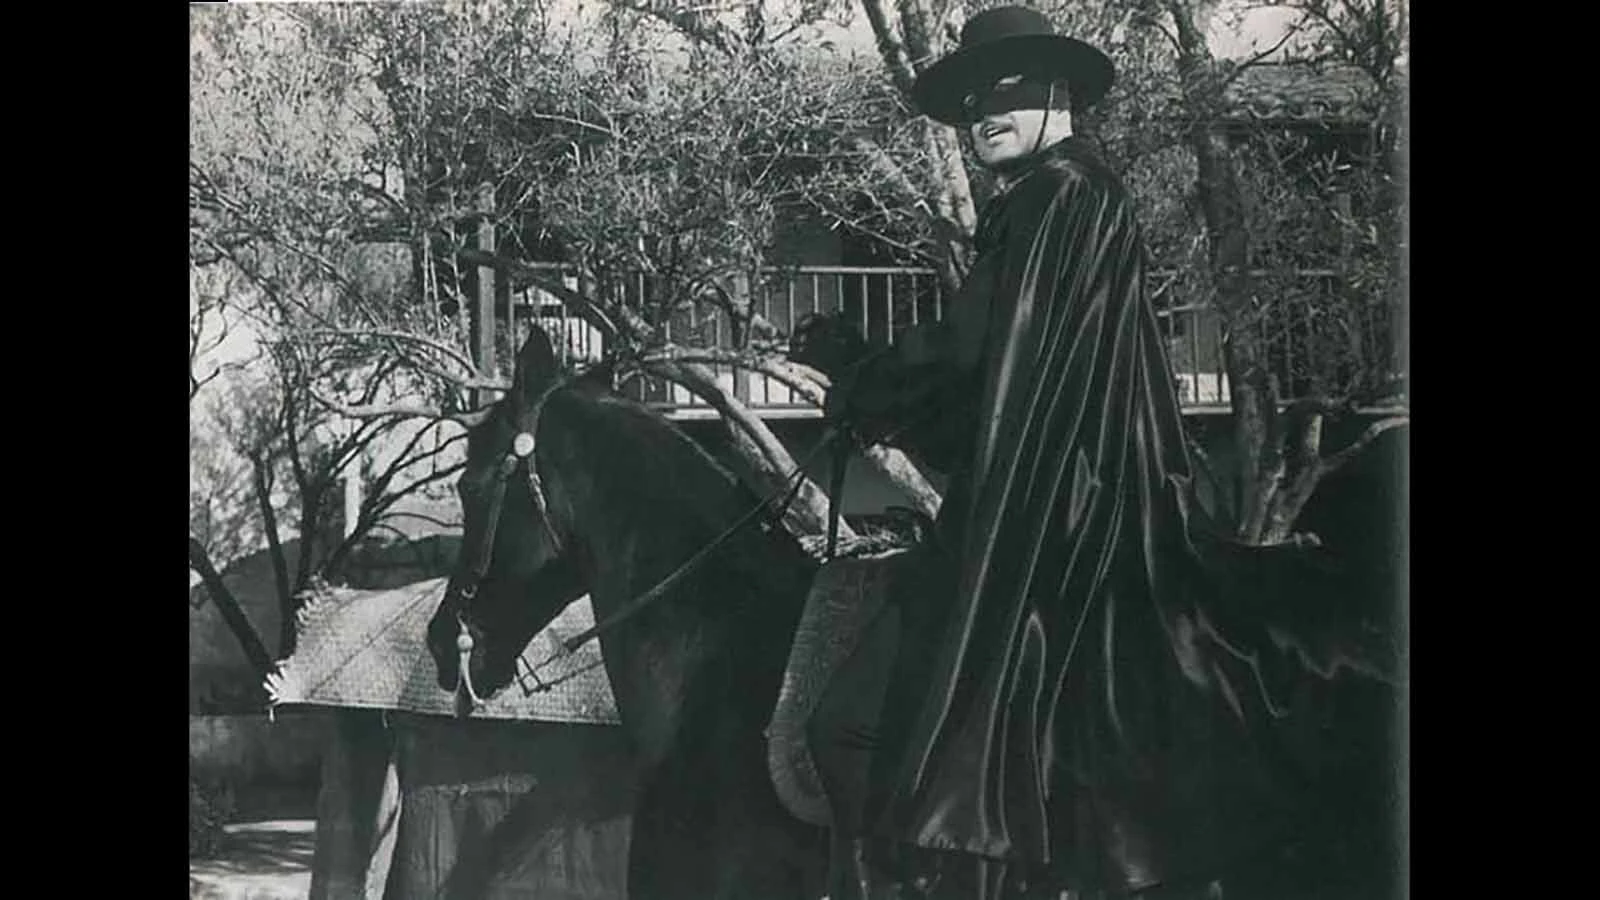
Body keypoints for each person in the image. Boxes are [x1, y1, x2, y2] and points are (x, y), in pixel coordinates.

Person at [794, 7, 1397, 900]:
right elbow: (994, 380)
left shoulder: (1057, 197)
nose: (979, 114)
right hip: (1077, 507)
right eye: (968, 99)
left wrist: (855, 370)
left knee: (850, 728)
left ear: (1055, 89)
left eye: (1001, 90)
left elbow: (966, 359)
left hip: (1050, 525)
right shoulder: (1075, 196)